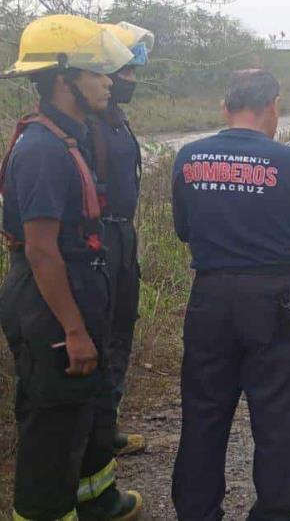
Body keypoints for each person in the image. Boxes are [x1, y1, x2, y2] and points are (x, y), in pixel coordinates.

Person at [170, 69, 290, 521]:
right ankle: (273, 512)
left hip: (209, 297)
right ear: (272, 106)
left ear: (224, 108)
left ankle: (196, 512)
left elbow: (184, 230)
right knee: (279, 417)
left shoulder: (189, 158)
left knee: (204, 412)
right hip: (273, 298)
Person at [0, 14, 144, 521]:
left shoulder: (72, 135)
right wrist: (74, 329)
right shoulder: (41, 149)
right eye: (95, 72)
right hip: (49, 308)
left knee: (81, 410)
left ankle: (94, 500)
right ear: (64, 79)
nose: (109, 82)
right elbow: (41, 249)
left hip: (74, 296)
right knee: (52, 425)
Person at [88, 22, 155, 458]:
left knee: (120, 330)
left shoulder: (116, 119)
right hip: (100, 238)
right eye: (126, 72)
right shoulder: (85, 123)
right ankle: (92, 435)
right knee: (100, 334)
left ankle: (106, 427)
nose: (131, 81)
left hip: (122, 236)